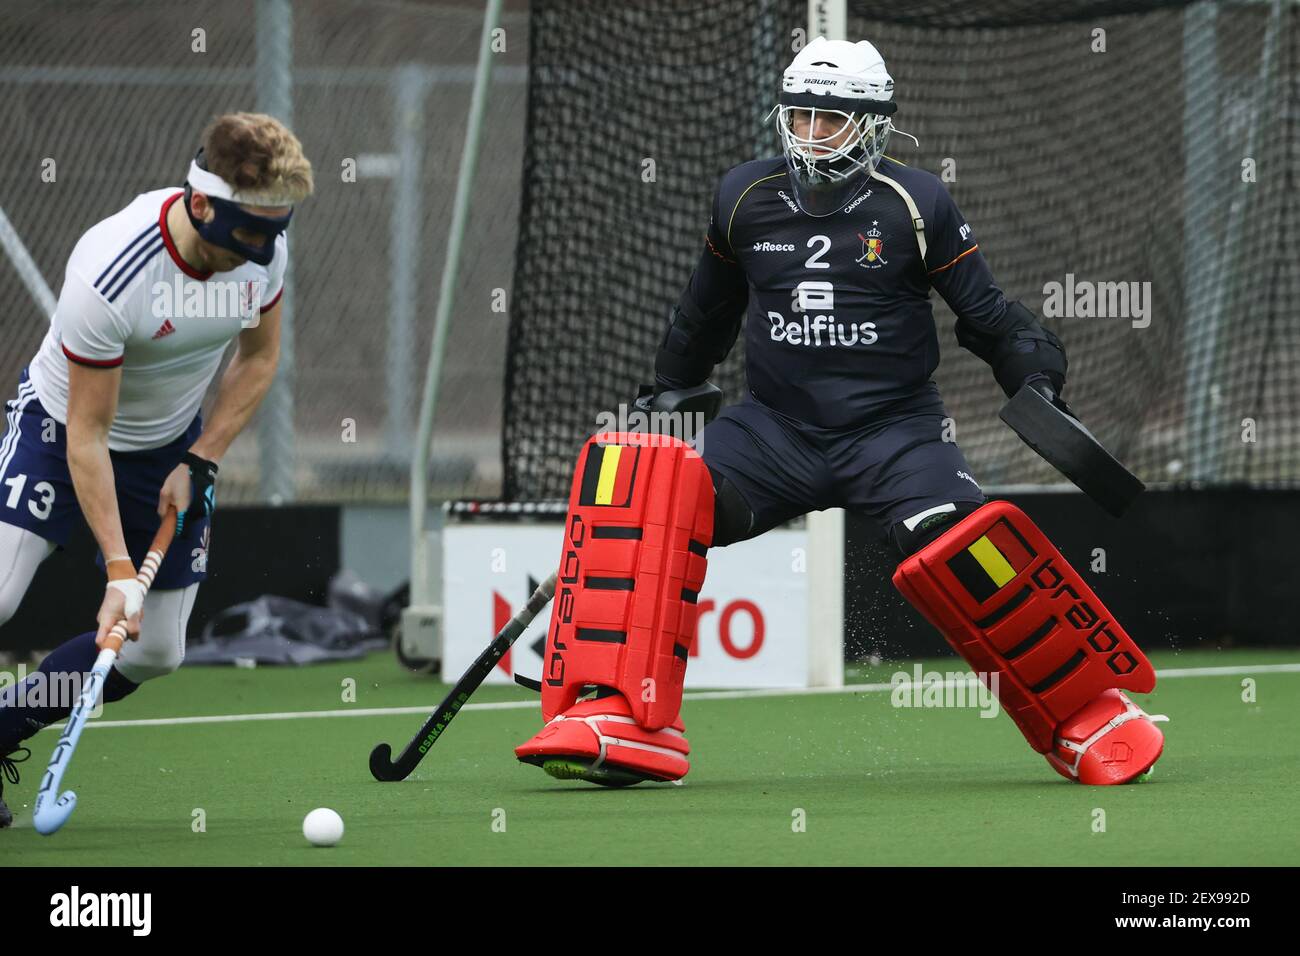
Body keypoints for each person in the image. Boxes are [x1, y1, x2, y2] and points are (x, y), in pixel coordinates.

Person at [515, 37, 1164, 788]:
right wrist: (668, 388)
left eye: (831, 118)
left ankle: (1085, 711)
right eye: (800, 115)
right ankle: (620, 712)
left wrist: (1039, 381)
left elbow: (990, 318)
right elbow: (703, 316)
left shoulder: (918, 203)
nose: (811, 133)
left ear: (875, 124)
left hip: (894, 434)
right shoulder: (743, 198)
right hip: (772, 432)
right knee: (656, 499)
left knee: (964, 544)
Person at [0, 112, 313, 827]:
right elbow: (87, 433)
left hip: (170, 445)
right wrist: (117, 570)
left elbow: (259, 359)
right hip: (60, 430)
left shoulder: (263, 254)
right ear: (203, 204)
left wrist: (201, 458)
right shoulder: (110, 274)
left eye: (276, 229)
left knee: (157, 652)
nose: (262, 249)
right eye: (248, 231)